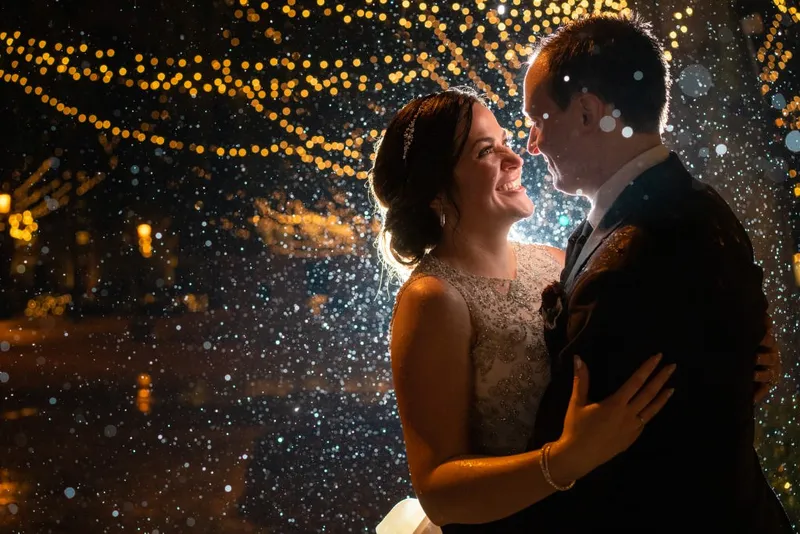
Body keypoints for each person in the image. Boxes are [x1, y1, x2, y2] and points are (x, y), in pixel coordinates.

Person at [369, 86, 781, 531]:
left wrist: (738, 356)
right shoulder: (432, 299)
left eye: (506, 141)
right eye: (486, 151)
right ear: (435, 189)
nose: (515, 158)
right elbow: (439, 492)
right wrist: (565, 460)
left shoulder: (556, 260)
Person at [520, 13, 792, 533]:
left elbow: (594, 474)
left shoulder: (633, 256)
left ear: (586, 113)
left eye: (539, 117)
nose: (533, 143)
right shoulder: (702, 206)